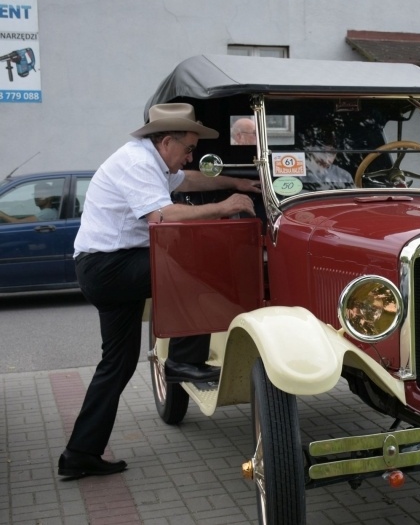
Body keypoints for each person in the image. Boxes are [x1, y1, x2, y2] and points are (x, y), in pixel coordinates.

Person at [58, 102, 261, 479]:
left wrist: (235, 183)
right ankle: (182, 361)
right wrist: (225, 206)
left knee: (117, 366)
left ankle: (80, 453)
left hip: (106, 266)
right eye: (188, 148)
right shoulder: (137, 163)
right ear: (167, 141)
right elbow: (163, 215)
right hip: (109, 266)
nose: (191, 156)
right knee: (198, 270)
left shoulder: (154, 162)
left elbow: (190, 181)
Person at [299, 126, 354, 191]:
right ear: (310, 148)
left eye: (332, 153)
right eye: (322, 151)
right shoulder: (297, 172)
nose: (327, 160)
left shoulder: (344, 176)